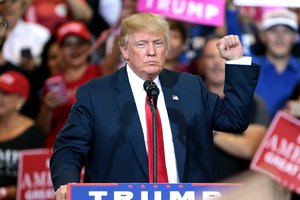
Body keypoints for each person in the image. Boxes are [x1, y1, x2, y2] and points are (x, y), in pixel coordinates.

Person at [50, 13, 260, 200]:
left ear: (167, 48)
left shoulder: (190, 86)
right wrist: (67, 184)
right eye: (142, 44)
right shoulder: (96, 94)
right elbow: (69, 148)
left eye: (158, 43)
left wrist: (236, 62)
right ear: (124, 50)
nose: (151, 51)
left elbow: (235, 120)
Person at [199, 34, 269, 180]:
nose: (217, 62)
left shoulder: (255, 104)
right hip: (198, 186)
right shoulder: (188, 98)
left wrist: (206, 129)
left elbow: (253, 147)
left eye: (222, 56)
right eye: (210, 57)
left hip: (239, 188)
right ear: (201, 62)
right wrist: (233, 135)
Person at [37, 21, 102, 147]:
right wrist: (47, 107)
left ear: (89, 47)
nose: (75, 49)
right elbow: (42, 131)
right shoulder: (52, 82)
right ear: (60, 50)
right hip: (59, 149)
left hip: (94, 147)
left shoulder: (101, 72)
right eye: (68, 44)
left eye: (80, 43)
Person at [0, 71, 44, 199]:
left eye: (5, 93)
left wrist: (5, 192)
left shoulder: (33, 132)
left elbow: (36, 184)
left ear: (21, 98)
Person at [253, 8, 300, 119]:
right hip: (249, 134)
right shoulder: (249, 67)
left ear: (295, 37)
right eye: (273, 30)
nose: (280, 37)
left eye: (286, 31)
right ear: (262, 36)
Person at [0, 0, 50, 71]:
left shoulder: (40, 34)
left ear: (23, 5)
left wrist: (35, 66)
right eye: (2, 2)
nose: (7, 6)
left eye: (13, 1)